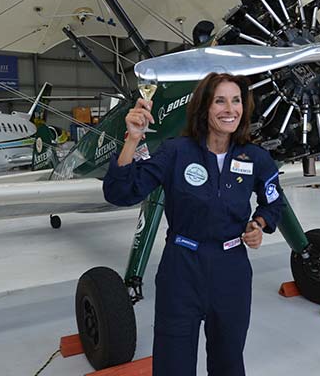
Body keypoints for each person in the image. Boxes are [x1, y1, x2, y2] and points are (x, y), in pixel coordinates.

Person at [103, 73, 284, 376]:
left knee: (228, 362)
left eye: (236, 100)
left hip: (232, 272)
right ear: (204, 107)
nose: (231, 109)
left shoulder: (256, 158)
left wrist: (260, 222)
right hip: (181, 270)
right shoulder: (176, 152)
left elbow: (274, 200)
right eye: (220, 101)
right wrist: (133, 138)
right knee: (173, 364)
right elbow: (120, 192)